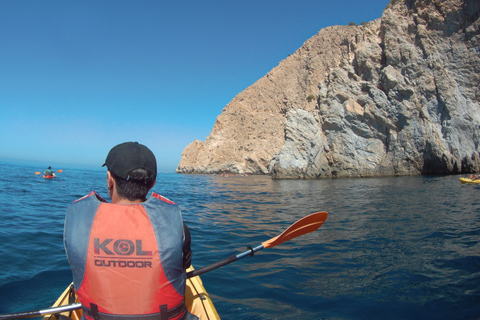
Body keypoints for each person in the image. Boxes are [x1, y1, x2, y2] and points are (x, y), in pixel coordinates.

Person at [64, 142, 197, 320]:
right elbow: (183, 266)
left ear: (109, 178)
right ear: (153, 183)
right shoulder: (179, 228)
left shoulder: (78, 223)